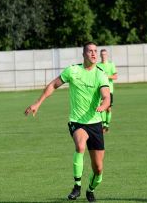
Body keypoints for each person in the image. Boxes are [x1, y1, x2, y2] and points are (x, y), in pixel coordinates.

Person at [25, 42, 110, 202]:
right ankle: (77, 186)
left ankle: (90, 189)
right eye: (90, 51)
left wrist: (104, 106)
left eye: (95, 51)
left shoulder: (100, 74)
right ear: (83, 54)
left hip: (95, 123)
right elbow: (53, 85)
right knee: (80, 145)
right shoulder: (73, 71)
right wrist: (38, 102)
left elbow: (106, 95)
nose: (93, 54)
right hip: (77, 121)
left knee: (98, 169)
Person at [97, 49, 118, 133]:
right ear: (100, 55)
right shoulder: (97, 65)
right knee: (102, 107)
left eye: (104, 54)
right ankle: (103, 125)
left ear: (107, 55)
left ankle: (107, 125)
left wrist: (107, 76)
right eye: (102, 54)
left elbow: (115, 77)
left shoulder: (111, 65)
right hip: (100, 90)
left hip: (109, 90)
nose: (103, 56)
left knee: (108, 109)